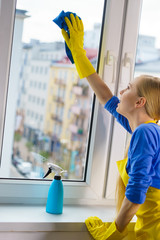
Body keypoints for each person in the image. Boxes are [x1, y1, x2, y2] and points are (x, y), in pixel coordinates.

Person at [61, 13, 160, 239]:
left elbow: (136, 193)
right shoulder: (145, 129)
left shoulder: (146, 132)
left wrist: (113, 233)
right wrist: (79, 56)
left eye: (128, 87)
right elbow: (106, 97)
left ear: (139, 102)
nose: (121, 92)